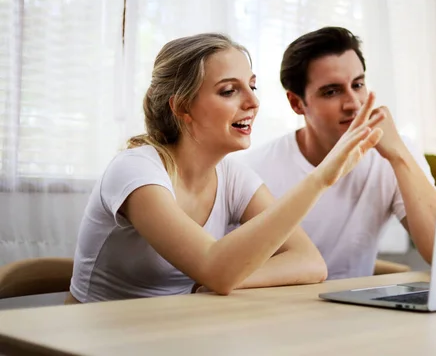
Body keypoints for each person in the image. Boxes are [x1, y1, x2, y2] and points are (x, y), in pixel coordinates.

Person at [66, 33, 385, 303]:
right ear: (182, 107)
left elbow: (310, 262)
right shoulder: (136, 170)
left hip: (175, 335)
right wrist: (319, 179)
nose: (253, 102)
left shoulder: (234, 176)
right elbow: (216, 267)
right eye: (229, 90)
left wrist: (218, 281)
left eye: (252, 86)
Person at [235, 27, 436, 280]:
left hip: (356, 311)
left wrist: (399, 155)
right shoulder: (254, 169)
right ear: (297, 103)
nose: (353, 103)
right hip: (278, 310)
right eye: (332, 91)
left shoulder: (395, 152)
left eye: (358, 84)